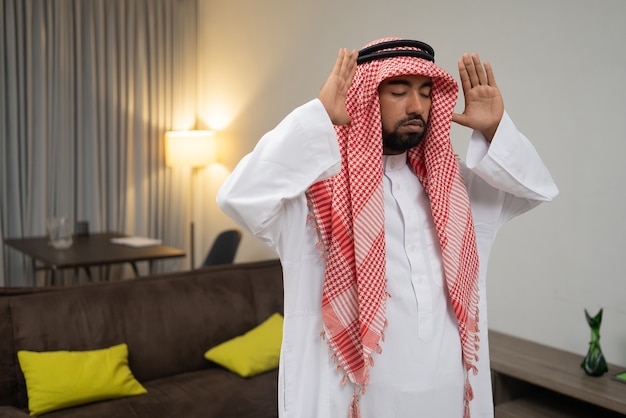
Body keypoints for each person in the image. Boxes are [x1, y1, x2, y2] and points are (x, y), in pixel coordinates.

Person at [217, 38, 558, 418]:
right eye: (398, 92)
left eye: (427, 93)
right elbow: (238, 196)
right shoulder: (312, 196)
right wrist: (316, 118)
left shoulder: (454, 188)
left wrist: (496, 130)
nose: (417, 106)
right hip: (354, 398)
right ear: (363, 97)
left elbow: (533, 190)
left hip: (446, 394)